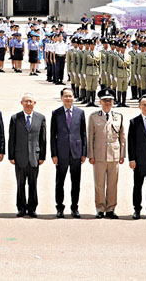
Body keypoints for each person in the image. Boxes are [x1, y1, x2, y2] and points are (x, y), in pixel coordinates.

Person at [87, 88, 125, 219]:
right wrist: (90, 155)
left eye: (109, 100)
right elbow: (90, 137)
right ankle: (100, 208)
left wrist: (122, 155)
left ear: (113, 102)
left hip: (114, 155)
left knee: (113, 183)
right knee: (99, 183)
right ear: (100, 102)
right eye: (104, 100)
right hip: (99, 155)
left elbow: (122, 137)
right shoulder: (93, 117)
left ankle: (111, 208)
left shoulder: (119, 117)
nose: (107, 103)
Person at [8, 93, 47, 217]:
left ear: (34, 103)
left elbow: (43, 139)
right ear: (21, 103)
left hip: (34, 157)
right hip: (20, 156)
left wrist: (42, 156)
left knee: (33, 183)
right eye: (26, 101)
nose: (28, 104)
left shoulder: (40, 118)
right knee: (20, 184)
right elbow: (12, 138)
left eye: (30, 101)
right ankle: (21, 208)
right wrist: (11, 155)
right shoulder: (15, 118)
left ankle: (32, 208)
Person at [50, 87, 86, 218]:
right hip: (61, 153)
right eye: (65, 96)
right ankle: (59, 207)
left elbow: (83, 134)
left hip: (76, 152)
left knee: (75, 182)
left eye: (70, 96)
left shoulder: (80, 113)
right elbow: (52, 135)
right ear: (61, 98)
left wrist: (84, 152)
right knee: (60, 182)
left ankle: (74, 207)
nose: (68, 98)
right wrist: (54, 154)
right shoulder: (56, 113)